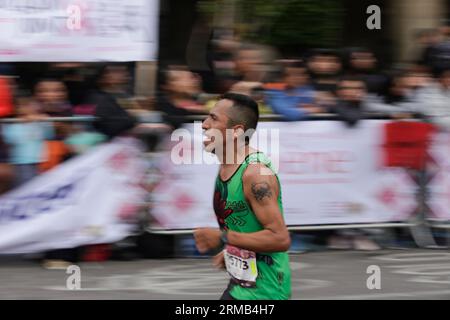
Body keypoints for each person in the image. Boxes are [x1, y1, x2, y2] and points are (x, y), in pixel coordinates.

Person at [194, 93, 291, 300]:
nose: (204, 125)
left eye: (214, 118)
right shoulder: (228, 166)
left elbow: (280, 238)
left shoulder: (255, 174)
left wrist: (223, 238)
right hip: (242, 287)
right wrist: (234, 249)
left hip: (266, 293)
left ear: (236, 132)